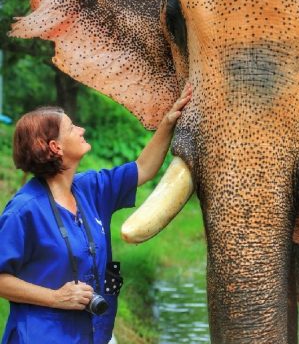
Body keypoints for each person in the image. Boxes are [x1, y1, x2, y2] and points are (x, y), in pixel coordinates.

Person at [0, 84, 192, 344]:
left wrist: (169, 122)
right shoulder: (24, 210)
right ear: (55, 147)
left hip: (94, 334)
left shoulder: (91, 188)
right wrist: (55, 297)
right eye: (72, 128)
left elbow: (143, 168)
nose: (81, 130)